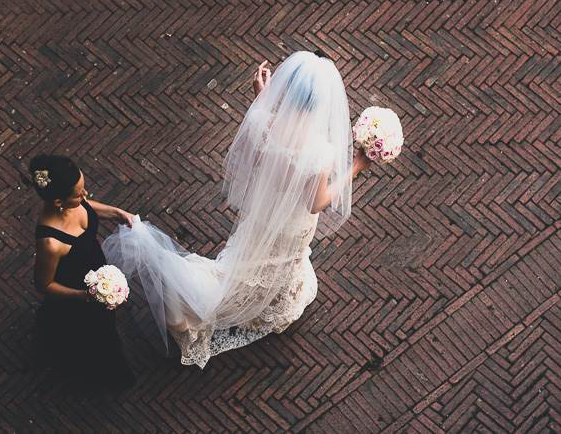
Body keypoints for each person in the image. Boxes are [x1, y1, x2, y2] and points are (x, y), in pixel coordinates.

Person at [103, 51, 376, 369]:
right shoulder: (319, 151)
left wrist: (262, 100)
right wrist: (357, 166)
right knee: (273, 264)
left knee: (255, 260)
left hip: (261, 213)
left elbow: (258, 153)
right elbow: (315, 203)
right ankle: (194, 302)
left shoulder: (262, 122)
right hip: (290, 224)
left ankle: (255, 296)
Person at [30, 154, 136, 392]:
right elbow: (43, 284)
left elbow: (87, 207)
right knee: (98, 336)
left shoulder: (73, 204)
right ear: (59, 201)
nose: (86, 195)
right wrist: (83, 296)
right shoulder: (50, 242)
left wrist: (117, 213)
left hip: (93, 270)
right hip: (77, 291)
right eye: (78, 194)